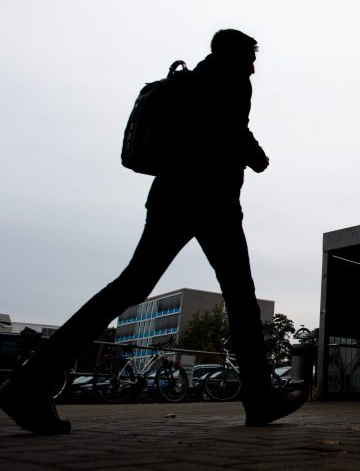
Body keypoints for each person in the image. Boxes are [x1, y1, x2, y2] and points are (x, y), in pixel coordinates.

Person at [0, 29, 305, 434]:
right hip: (211, 198)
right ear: (238, 55)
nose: (253, 64)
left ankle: (30, 382)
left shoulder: (191, 81)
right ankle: (261, 398)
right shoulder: (232, 79)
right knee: (240, 297)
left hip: (170, 195)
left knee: (131, 285)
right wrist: (256, 156)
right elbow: (229, 126)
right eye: (251, 56)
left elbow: (213, 124)